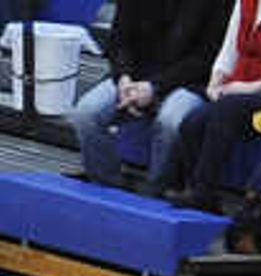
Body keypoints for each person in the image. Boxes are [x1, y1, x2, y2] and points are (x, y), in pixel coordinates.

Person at [73, 0, 228, 187]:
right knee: (86, 113)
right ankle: (107, 184)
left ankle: (158, 192)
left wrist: (155, 87)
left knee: (171, 121)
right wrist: (124, 77)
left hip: (190, 81)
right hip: (135, 76)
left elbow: (207, 58)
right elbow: (119, 39)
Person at [162, 0, 261, 221]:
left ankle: (202, 192)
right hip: (238, 88)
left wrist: (254, 87)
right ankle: (205, 200)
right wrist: (215, 81)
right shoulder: (245, 2)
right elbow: (229, 49)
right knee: (193, 122)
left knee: (227, 108)